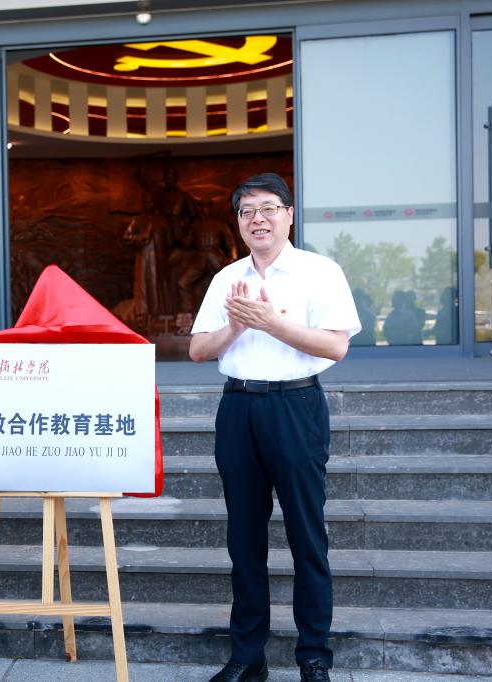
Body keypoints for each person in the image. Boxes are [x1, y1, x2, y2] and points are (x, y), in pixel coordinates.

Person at [189, 173, 360, 682]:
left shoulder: (319, 272)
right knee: (243, 540)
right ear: (238, 222)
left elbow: (335, 346)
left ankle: (314, 657)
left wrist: (270, 322)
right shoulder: (226, 278)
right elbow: (198, 350)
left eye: (268, 208)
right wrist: (236, 325)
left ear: (289, 214)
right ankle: (248, 656)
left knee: (307, 536)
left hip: (295, 406)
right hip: (238, 409)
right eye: (246, 211)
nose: (257, 219)